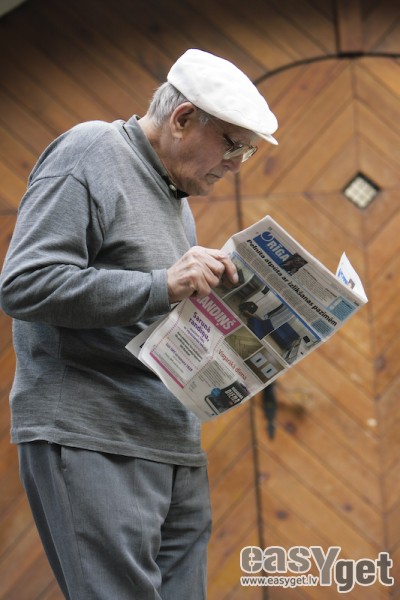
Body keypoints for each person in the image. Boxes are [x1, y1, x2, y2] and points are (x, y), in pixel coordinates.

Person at [0, 48, 278, 600]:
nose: (237, 164)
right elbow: (24, 284)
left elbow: (152, 308)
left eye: (246, 151)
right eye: (232, 145)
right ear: (183, 118)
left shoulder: (176, 196)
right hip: (93, 435)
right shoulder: (90, 151)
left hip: (171, 441)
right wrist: (163, 285)